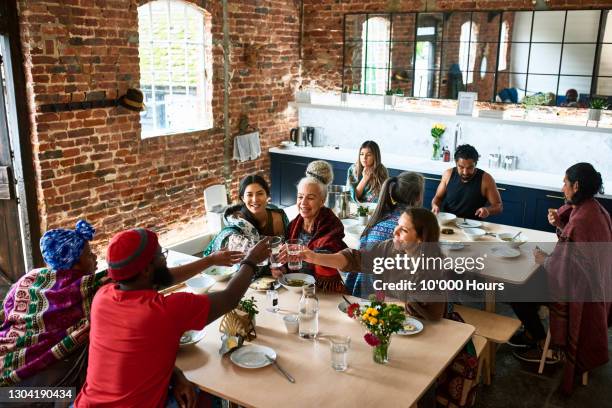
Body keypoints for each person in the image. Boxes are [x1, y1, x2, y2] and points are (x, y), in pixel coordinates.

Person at [301, 208, 480, 407]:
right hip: (394, 325)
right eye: (397, 226)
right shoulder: (390, 248)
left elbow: (431, 315)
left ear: (421, 239)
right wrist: (315, 257)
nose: (395, 232)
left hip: (429, 332)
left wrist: (387, 300)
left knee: (417, 383)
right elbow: (354, 258)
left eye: (403, 230)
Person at [75, 228, 270, 407]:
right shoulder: (165, 310)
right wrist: (251, 260)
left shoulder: (103, 296)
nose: (165, 259)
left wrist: (175, 375)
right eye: (161, 255)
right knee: (210, 397)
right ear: (146, 270)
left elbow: (138, 357)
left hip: (86, 403)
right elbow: (229, 298)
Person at [509, 163, 611, 394]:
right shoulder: (594, 209)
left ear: (576, 185)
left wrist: (543, 259)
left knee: (518, 289)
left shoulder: (581, 219)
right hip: (596, 288)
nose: (562, 187)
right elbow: (576, 251)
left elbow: (563, 267)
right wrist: (559, 224)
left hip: (578, 293)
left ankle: (541, 341)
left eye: (565, 182)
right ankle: (530, 331)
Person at [0, 220, 103, 389]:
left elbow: (7, 309)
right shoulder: (86, 291)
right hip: (27, 390)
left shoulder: (31, 277)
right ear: (76, 263)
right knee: (67, 395)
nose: (95, 258)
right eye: (89, 255)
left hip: (5, 353)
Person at [344, 171, 424, 298]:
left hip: (360, 290)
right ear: (418, 197)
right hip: (388, 297)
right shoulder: (412, 228)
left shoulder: (379, 218)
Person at [272, 176, 347, 292]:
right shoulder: (293, 225)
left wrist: (306, 253)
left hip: (323, 289)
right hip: (295, 286)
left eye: (310, 198)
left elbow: (329, 255)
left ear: (322, 201)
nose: (303, 203)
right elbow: (287, 261)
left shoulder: (332, 224)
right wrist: (281, 268)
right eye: (300, 197)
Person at [204, 175, 289, 277]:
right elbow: (239, 263)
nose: (255, 199)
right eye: (249, 195)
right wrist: (269, 269)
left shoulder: (279, 216)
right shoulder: (237, 223)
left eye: (260, 194)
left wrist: (282, 265)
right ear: (242, 198)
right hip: (248, 279)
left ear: (267, 195)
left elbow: (288, 245)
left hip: (281, 276)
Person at [431, 144, 502, 219]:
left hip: (472, 225)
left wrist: (488, 210)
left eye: (470, 168)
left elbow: (498, 206)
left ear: (475, 164)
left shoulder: (486, 179)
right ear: (456, 163)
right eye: (461, 167)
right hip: (447, 221)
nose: (465, 172)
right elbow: (438, 198)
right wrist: (435, 205)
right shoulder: (448, 174)